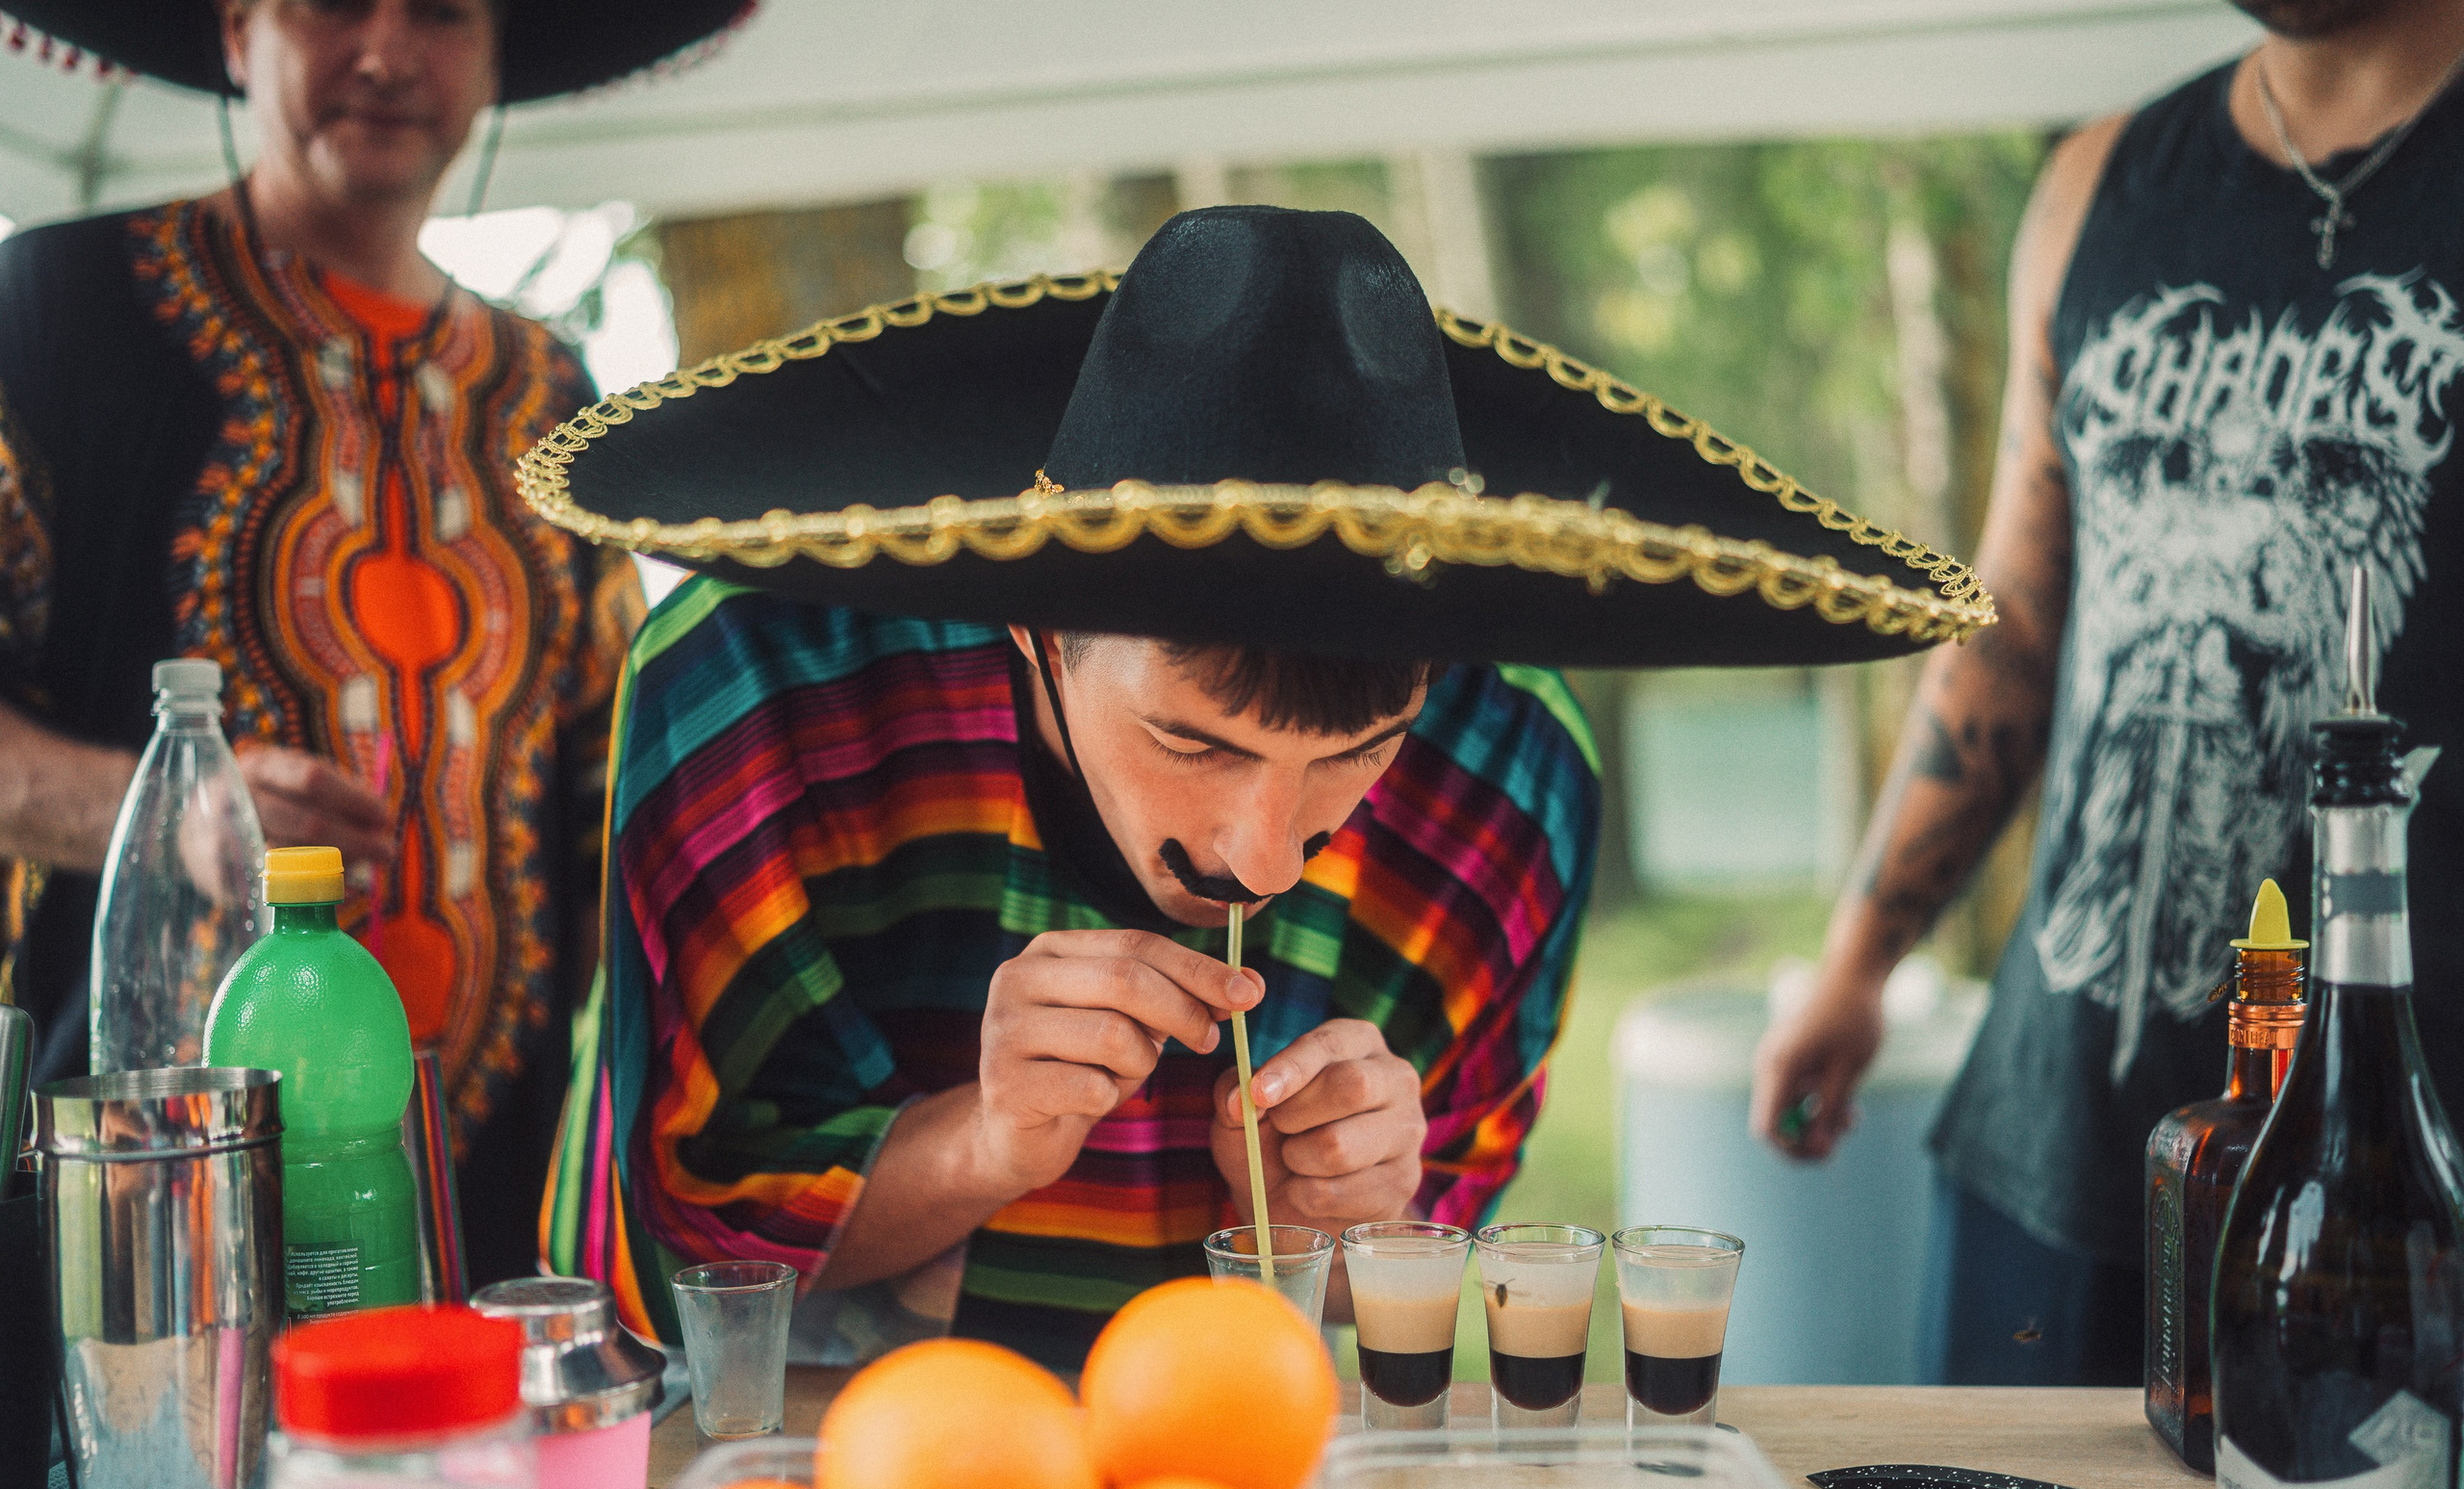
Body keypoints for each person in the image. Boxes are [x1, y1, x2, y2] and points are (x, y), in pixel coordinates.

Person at [526, 205, 1989, 1368]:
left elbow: (1402, 1293)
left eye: (1356, 757)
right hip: (847, 1484)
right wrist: (979, 1144)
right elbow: (666, 1274)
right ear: (1035, 626)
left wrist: (1346, 1222)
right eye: (1195, 742)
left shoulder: (1510, 772)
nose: (1265, 855)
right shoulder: (758, 702)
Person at [1750, 0, 2464, 1385]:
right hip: (2059, 1139)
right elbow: (2013, 614)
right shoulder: (2094, 185)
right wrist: (1857, 959)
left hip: (2396, 1198)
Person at [0, 0, 745, 1284]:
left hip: (495, 1215)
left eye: (446, 15)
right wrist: (182, 817)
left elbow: (613, 798)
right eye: (336, 3)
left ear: (497, 52)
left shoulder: (552, 396)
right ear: (239, 33)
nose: (391, 54)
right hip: (152, 1216)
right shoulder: (56, 309)